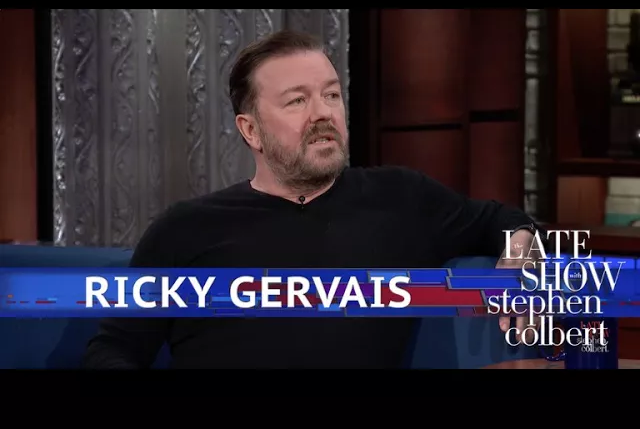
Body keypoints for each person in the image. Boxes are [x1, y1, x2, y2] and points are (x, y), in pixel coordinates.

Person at [84, 29, 539, 369]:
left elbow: (500, 220)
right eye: (297, 101)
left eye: (332, 95)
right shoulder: (184, 230)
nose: (323, 113)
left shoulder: (400, 199)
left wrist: (521, 247)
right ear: (250, 130)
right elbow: (114, 349)